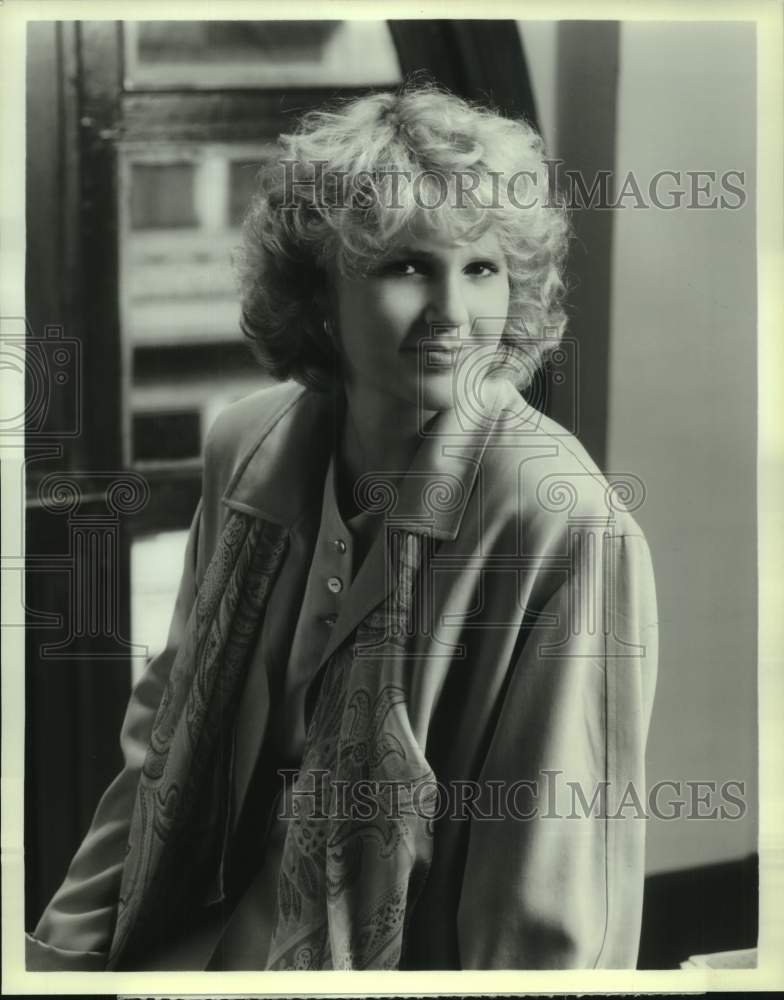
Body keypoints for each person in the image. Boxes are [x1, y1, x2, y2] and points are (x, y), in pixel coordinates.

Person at [26, 83, 658, 971]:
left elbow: (547, 891)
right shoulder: (247, 444)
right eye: (406, 267)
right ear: (319, 294)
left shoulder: (561, 520)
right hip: (194, 942)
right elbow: (162, 742)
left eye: (481, 268)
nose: (452, 312)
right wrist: (61, 958)